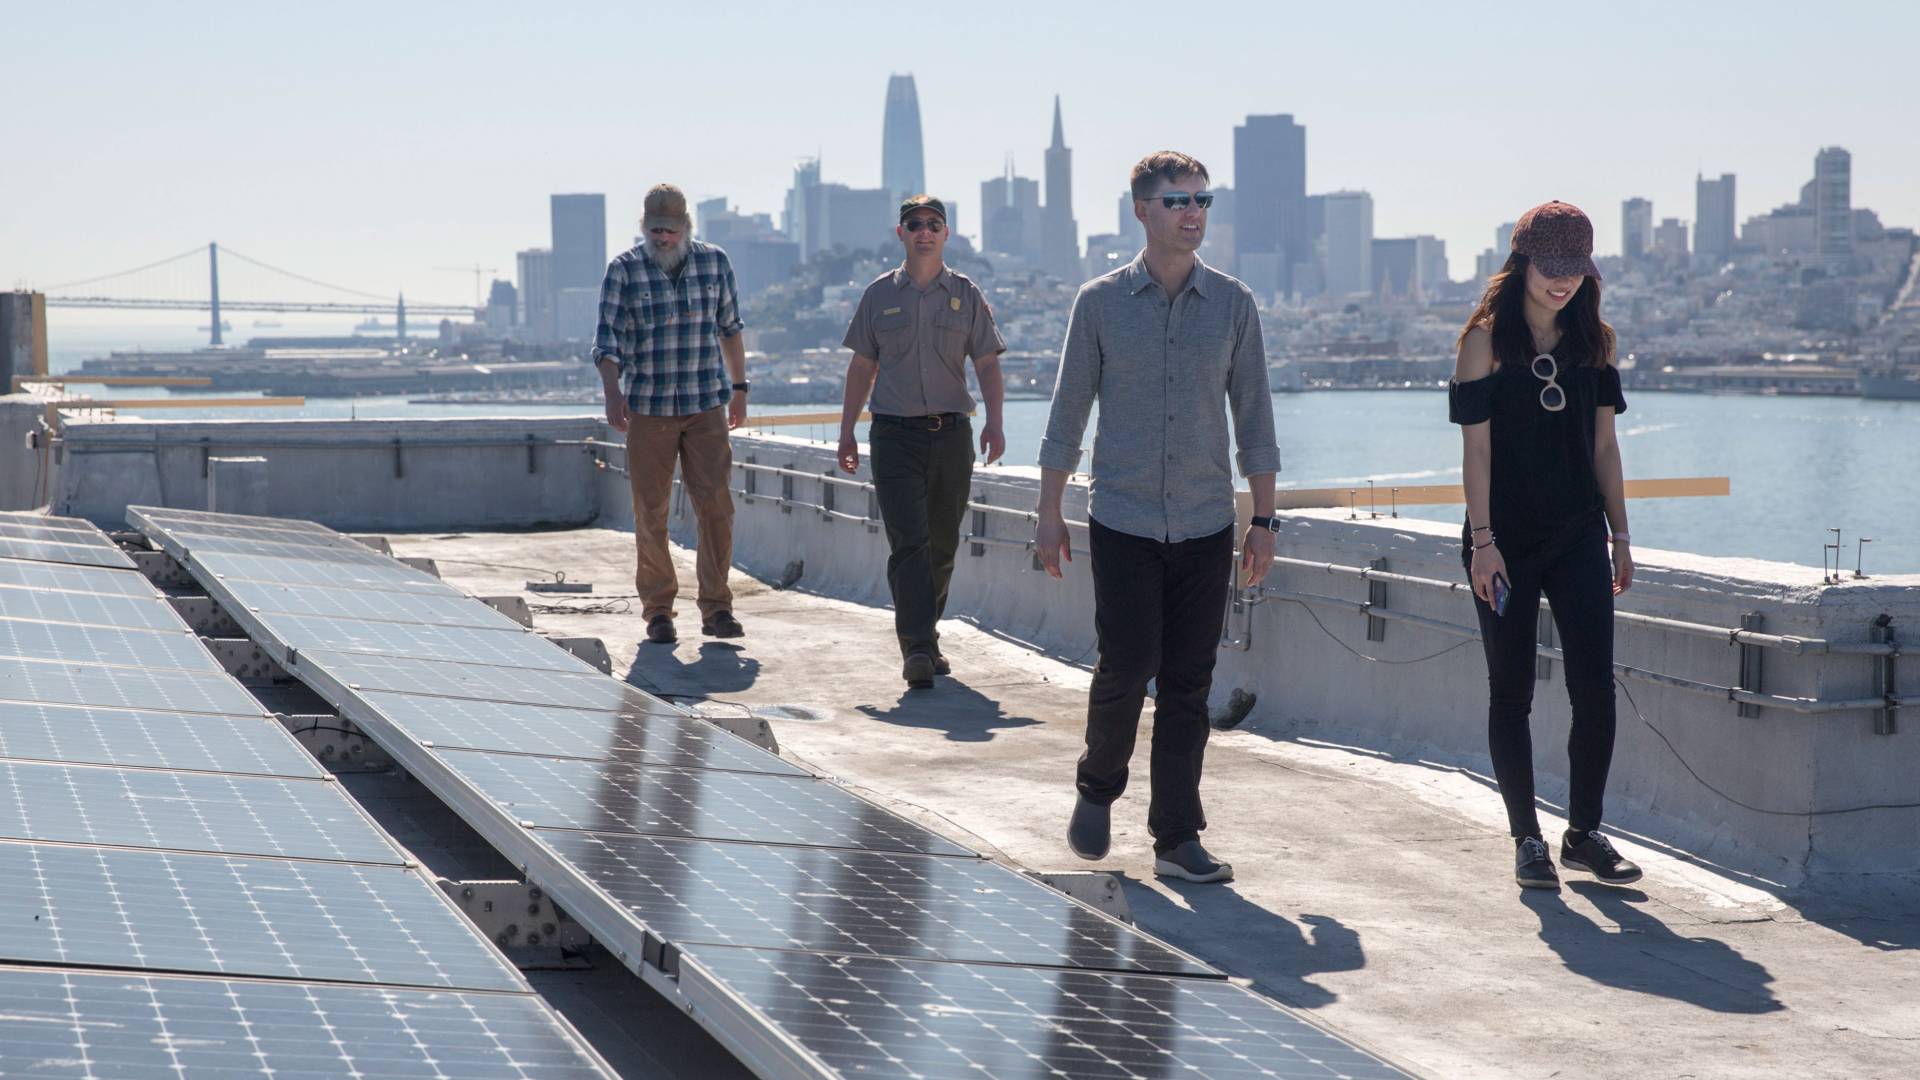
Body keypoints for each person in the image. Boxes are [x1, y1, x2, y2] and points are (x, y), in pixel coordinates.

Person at [1035, 152, 1281, 884]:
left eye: (1202, 199)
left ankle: (1176, 838)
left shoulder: (1235, 305)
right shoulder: (1100, 302)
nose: (1193, 211)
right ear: (1140, 211)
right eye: (1176, 200)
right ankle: (1096, 787)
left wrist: (1264, 519)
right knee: (1127, 663)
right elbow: (1066, 413)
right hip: (1124, 518)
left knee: (1189, 683)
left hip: (1207, 524)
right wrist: (1048, 512)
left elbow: (1257, 421)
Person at [1450, 199, 1641, 890]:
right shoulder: (1483, 343)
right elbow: (1476, 454)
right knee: (1512, 692)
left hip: (1578, 537)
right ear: (1522, 260)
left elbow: (1605, 446)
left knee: (1596, 689)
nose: (1562, 283)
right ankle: (1526, 838)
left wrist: (1621, 535)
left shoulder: (1596, 341)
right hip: (1504, 541)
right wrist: (1483, 544)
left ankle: (1584, 833)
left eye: (1574, 270)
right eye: (1550, 269)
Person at [837, 195, 1007, 688]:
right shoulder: (878, 296)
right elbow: (862, 366)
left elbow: (988, 364)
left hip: (952, 434)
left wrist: (995, 423)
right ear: (901, 233)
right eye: (915, 225)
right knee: (909, 542)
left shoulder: (966, 294)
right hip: (894, 435)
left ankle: (926, 637)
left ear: (946, 234)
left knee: (943, 544)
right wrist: (847, 431)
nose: (925, 232)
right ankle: (915, 647)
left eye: (934, 224)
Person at [592, 184, 750, 645]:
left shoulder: (714, 263)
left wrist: (739, 390)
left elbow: (731, 329)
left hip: (706, 403)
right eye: (655, 230)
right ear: (643, 227)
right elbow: (607, 341)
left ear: (687, 227)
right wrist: (611, 392)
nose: (662, 238)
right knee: (651, 510)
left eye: (671, 230)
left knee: (716, 505)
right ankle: (658, 610)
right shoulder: (623, 270)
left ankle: (717, 607)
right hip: (649, 406)